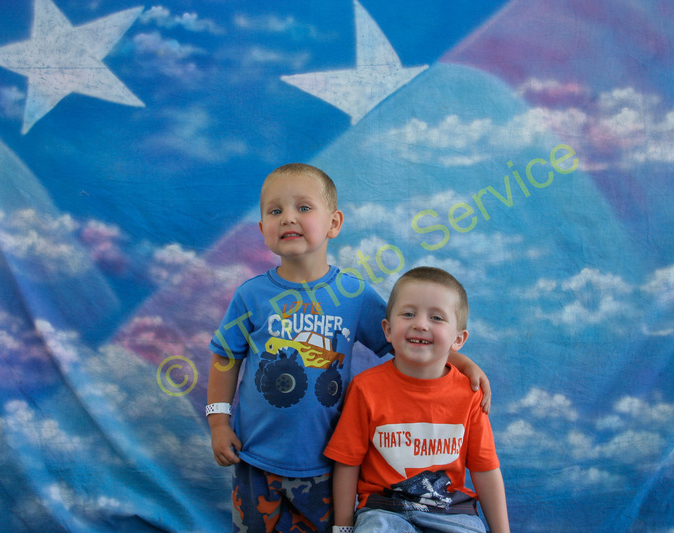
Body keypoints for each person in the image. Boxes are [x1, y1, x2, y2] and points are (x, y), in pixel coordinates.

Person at [206, 164, 491, 532]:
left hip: (325, 464)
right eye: (275, 211)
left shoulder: (354, 294)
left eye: (303, 208)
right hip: (255, 457)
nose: (288, 217)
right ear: (263, 230)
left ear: (334, 223)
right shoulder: (251, 295)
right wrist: (218, 421)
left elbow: (403, 342)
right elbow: (226, 357)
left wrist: (461, 361)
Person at [324, 266, 510, 533]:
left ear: (458, 339)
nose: (420, 324)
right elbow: (347, 462)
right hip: (384, 511)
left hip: (452, 513)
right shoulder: (365, 389)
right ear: (388, 330)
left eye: (436, 317)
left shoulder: (469, 393)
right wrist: (343, 528)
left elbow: (485, 470)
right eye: (409, 314)